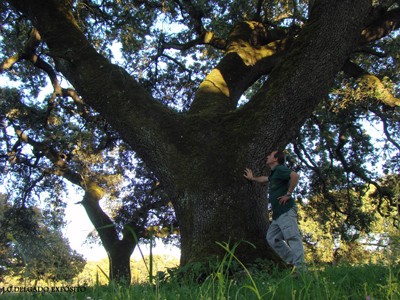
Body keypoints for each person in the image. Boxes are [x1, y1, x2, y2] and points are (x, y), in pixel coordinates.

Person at [244, 150, 306, 275]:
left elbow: (295, 176)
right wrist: (252, 178)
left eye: (270, 155)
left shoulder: (281, 169)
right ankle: (293, 262)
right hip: (278, 215)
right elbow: (264, 179)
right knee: (272, 238)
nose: (267, 156)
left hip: (286, 210)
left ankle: (301, 271)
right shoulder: (275, 173)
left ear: (276, 159)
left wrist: (288, 194)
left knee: (292, 238)